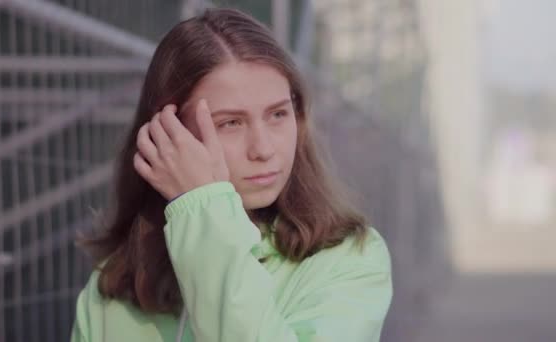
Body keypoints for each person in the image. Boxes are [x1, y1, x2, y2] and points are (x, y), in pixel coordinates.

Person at [71, 7, 392, 342]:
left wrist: (201, 206)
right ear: (167, 134)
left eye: (278, 114)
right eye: (231, 123)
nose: (263, 149)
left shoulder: (349, 259)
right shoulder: (113, 286)